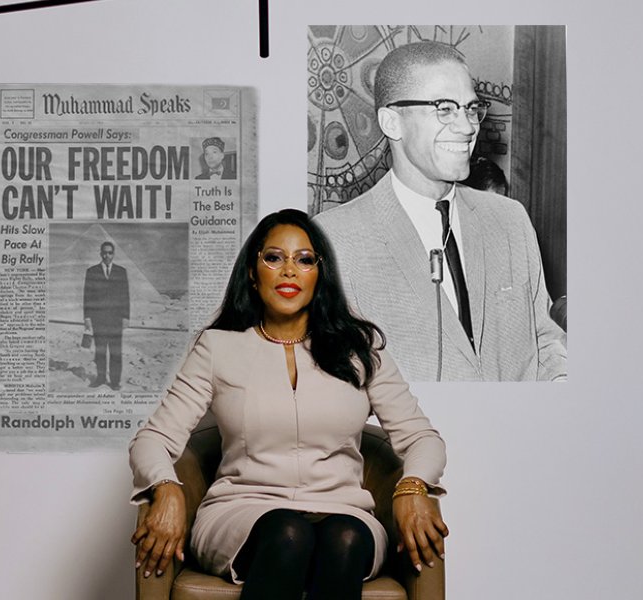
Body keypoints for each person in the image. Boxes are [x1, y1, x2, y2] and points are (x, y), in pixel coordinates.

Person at [129, 209, 448, 600]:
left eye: (304, 260)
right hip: (242, 514)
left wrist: (412, 488)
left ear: (320, 273)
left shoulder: (360, 350)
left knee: (344, 537)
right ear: (252, 270)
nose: (289, 271)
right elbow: (152, 439)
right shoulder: (218, 348)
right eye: (274, 258)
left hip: (344, 513)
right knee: (289, 533)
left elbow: (423, 437)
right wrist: (166, 487)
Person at [314, 41, 566, 382]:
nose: (467, 127)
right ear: (392, 122)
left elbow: (544, 339)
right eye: (444, 109)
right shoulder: (332, 241)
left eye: (471, 108)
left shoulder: (511, 220)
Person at [83, 241, 129, 390]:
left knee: (115, 352)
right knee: (100, 351)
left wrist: (126, 317)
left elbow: (125, 296)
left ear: (113, 254)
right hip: (99, 320)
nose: (107, 255)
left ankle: (115, 382)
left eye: (110, 252)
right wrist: (87, 317)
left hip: (116, 320)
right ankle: (101, 378)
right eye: (104, 252)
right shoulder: (92, 271)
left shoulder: (121, 272)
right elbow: (87, 296)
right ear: (100, 253)